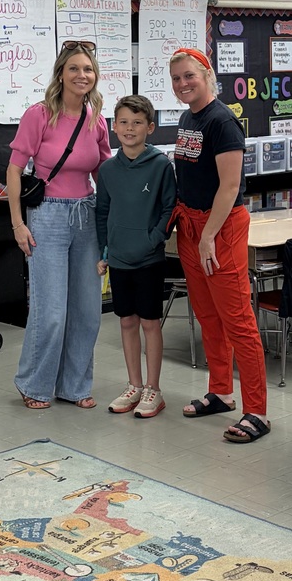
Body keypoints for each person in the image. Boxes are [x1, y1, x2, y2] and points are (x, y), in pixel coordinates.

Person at [169, 48, 270, 444]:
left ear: (207, 74)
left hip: (220, 228)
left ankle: (257, 410)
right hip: (192, 225)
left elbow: (230, 187)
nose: (183, 84)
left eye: (189, 76)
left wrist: (209, 234)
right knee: (208, 314)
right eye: (176, 78)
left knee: (238, 321)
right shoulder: (187, 118)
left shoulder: (223, 121)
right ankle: (222, 391)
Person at [6, 41, 111, 409]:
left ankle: (74, 385)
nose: (82, 75)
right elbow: (15, 170)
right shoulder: (39, 115)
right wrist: (18, 223)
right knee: (51, 311)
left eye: (88, 69)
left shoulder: (96, 118)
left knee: (86, 309)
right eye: (75, 69)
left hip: (86, 214)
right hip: (46, 215)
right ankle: (34, 384)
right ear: (61, 74)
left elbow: (102, 168)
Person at [96, 95, 177, 419]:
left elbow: (170, 209)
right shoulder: (108, 169)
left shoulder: (160, 165)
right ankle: (134, 384)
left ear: (150, 127)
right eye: (124, 122)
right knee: (126, 321)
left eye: (137, 122)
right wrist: (105, 250)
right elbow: (102, 211)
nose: (130, 129)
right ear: (114, 127)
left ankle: (153, 390)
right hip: (118, 259)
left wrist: (153, 240)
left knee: (150, 323)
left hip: (148, 260)